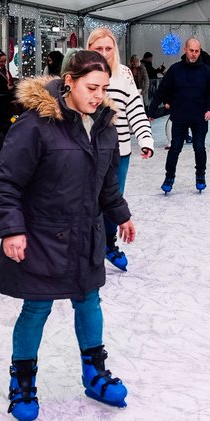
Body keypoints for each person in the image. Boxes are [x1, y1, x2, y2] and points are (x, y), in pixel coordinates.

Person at [0, 50, 137, 421]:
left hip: (84, 235)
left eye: (104, 88)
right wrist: (12, 229)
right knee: (36, 308)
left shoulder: (104, 125)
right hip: (41, 236)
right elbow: (4, 182)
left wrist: (121, 214)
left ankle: (95, 376)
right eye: (91, 87)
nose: (98, 96)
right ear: (68, 81)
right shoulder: (35, 125)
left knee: (89, 301)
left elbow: (106, 183)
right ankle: (21, 385)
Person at [87, 27, 154, 268]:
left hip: (119, 152)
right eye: (98, 48)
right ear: (89, 49)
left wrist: (145, 139)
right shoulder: (79, 73)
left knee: (113, 199)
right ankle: (86, 246)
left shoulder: (123, 74)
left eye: (108, 48)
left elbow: (135, 108)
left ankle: (107, 243)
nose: (104, 53)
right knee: (87, 200)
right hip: (86, 152)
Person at [156, 38, 210, 194]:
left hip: (200, 117)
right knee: (175, 148)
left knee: (199, 147)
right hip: (180, 116)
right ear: (185, 50)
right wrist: (152, 111)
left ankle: (200, 176)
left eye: (197, 51)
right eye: (191, 50)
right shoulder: (175, 69)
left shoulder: (207, 71)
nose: (194, 54)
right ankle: (169, 178)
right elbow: (163, 89)